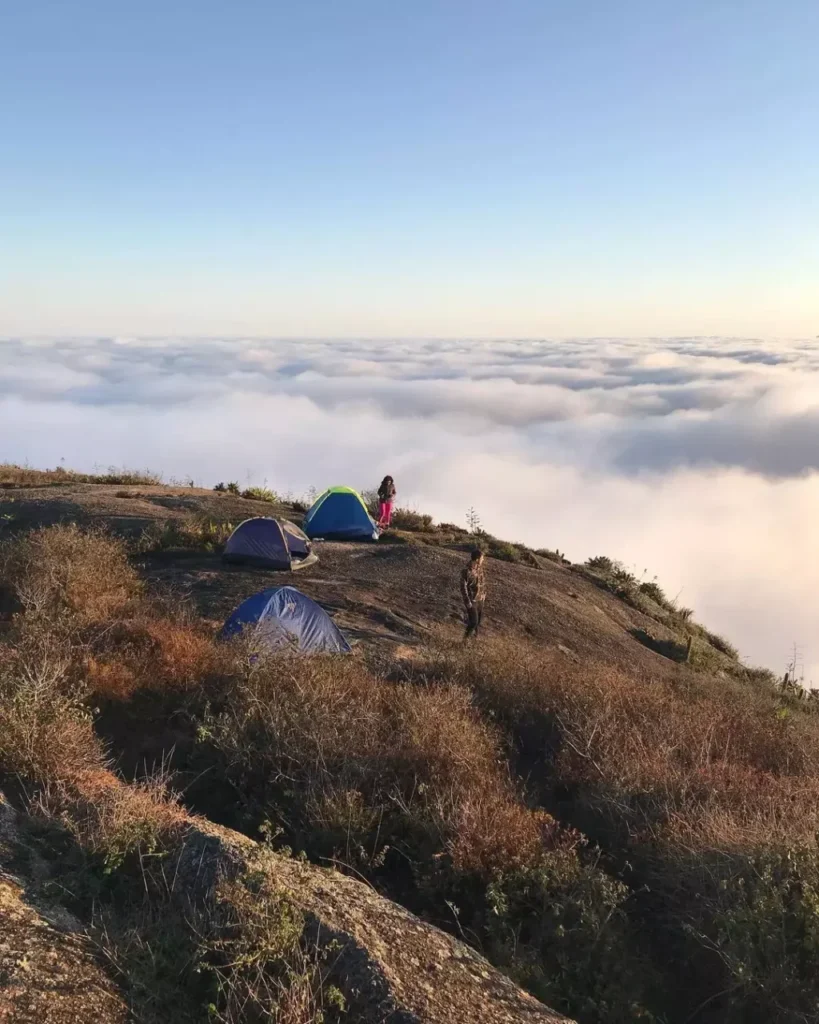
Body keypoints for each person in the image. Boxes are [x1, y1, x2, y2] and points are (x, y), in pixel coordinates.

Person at [460, 548, 486, 640]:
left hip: (480, 600)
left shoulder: (480, 569)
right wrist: (467, 602)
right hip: (471, 600)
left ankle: (474, 640)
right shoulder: (466, 571)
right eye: (482, 558)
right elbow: (463, 587)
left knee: (478, 622)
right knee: (474, 622)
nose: (483, 560)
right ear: (477, 559)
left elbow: (482, 582)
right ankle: (464, 641)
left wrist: (483, 595)